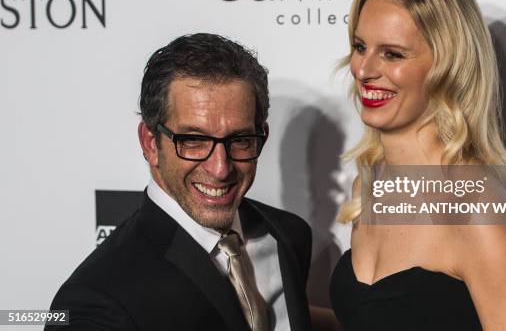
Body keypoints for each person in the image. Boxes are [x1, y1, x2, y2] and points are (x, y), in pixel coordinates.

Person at [328, 0, 506, 330]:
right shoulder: (368, 184)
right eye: (360, 46)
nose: (364, 69)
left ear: (447, 68)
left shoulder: (474, 206)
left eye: (392, 54)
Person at [46, 33, 312, 331]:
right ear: (150, 143)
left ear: (261, 137)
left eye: (239, 139)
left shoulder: (289, 236)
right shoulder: (99, 299)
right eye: (194, 140)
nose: (220, 168)